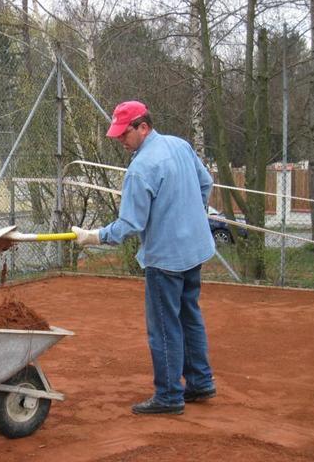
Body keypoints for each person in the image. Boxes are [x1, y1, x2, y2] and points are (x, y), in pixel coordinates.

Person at [72, 101, 216, 415]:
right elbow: (206, 183)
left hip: (165, 259)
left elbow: (130, 225)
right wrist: (188, 215)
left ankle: (168, 397)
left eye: (125, 133)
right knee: (189, 315)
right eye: (118, 134)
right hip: (195, 249)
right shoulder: (180, 145)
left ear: (143, 127)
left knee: (164, 325)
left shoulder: (141, 169)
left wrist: (93, 236)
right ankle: (201, 382)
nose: (121, 140)